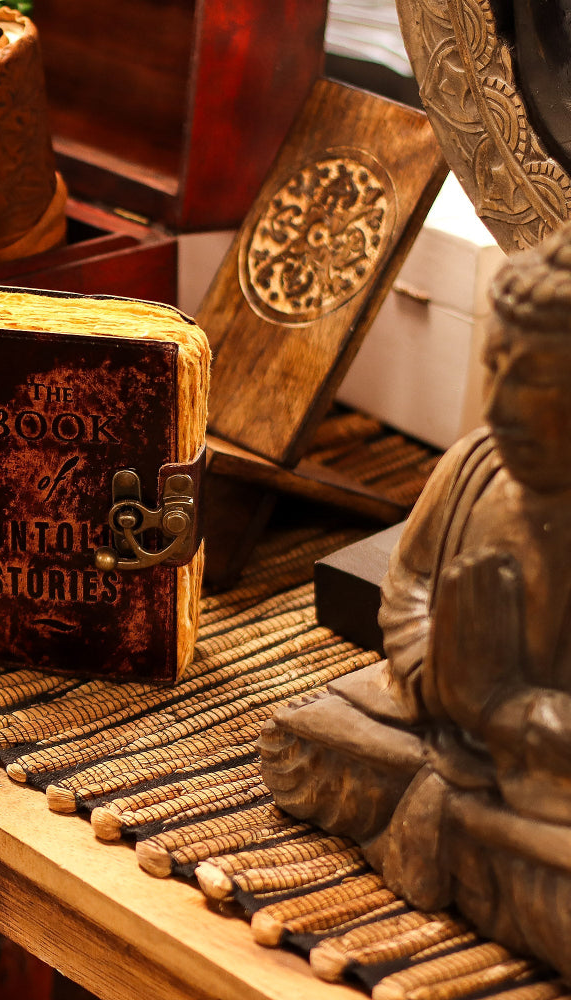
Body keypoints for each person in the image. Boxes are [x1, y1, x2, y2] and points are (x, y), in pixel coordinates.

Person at [259, 220, 571, 977]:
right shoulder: (474, 465)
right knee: (300, 744)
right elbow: (409, 583)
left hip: (544, 770)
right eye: (494, 370)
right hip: (436, 717)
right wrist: (434, 665)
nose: (499, 410)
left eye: (535, 389)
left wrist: (506, 710)